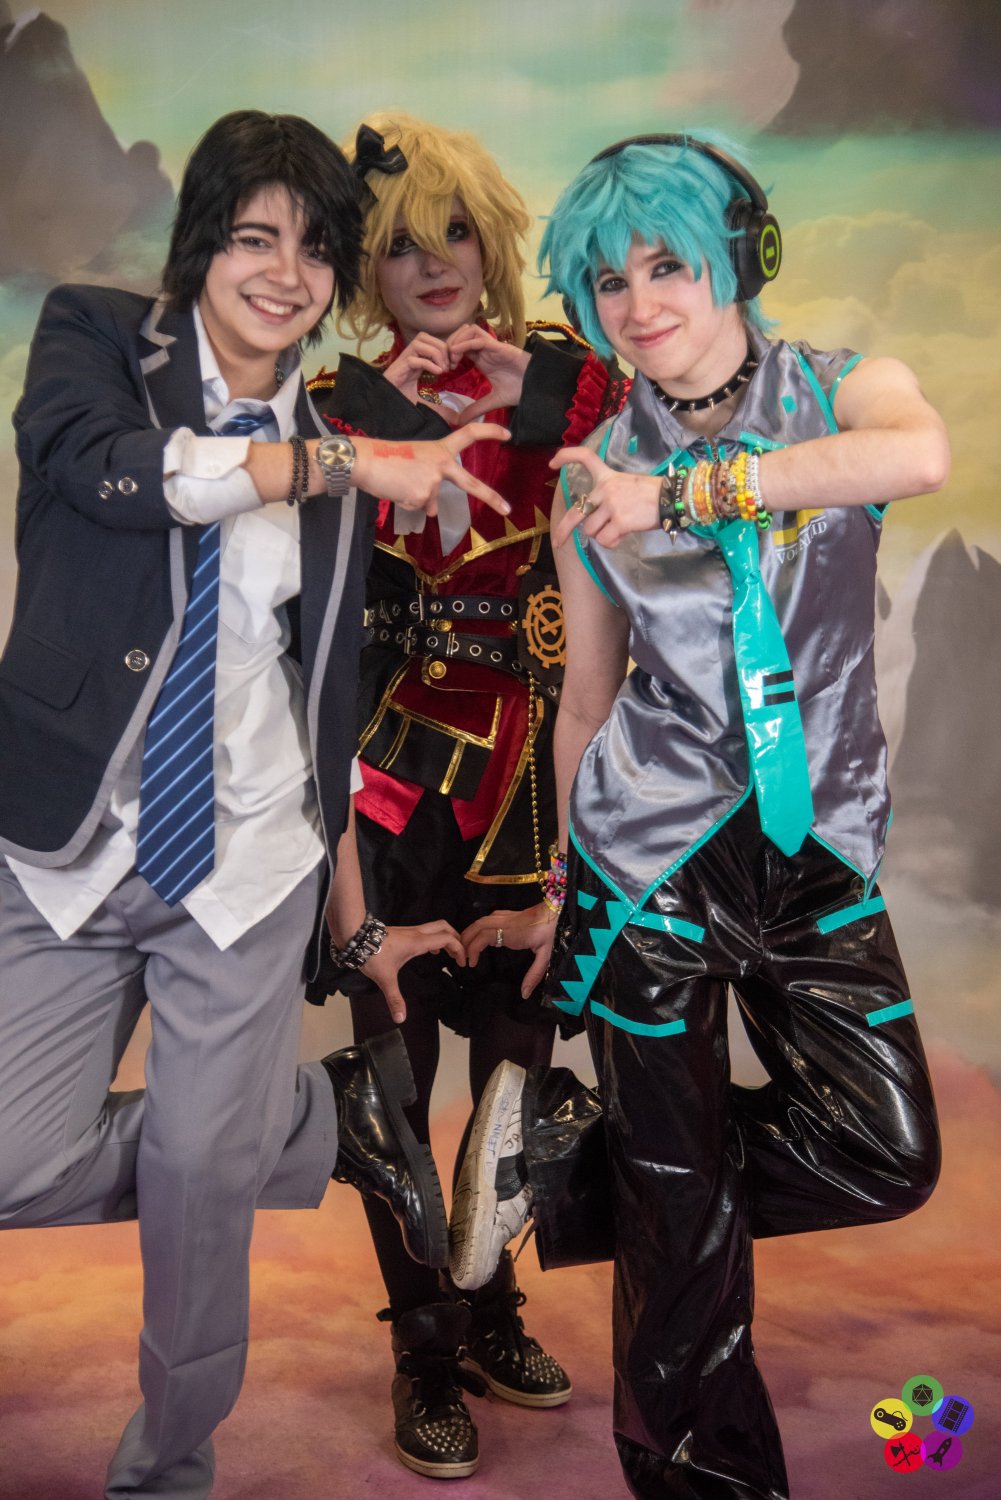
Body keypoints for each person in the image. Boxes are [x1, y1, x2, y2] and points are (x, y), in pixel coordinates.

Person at [0, 110, 513, 1500]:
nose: (285, 274)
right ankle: (312, 1124)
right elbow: (114, 475)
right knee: (22, 1160)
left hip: (246, 859)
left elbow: (325, 678)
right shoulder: (95, 336)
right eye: (253, 238)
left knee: (194, 1192)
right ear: (200, 247)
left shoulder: (350, 422)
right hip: (67, 849)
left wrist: (347, 912)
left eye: (314, 250)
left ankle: (170, 1463)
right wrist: (339, 465)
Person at [451, 133, 946, 1499]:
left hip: (816, 852)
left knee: (882, 1154)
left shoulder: (843, 391)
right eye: (608, 281)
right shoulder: (589, 475)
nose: (638, 304)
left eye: (667, 264)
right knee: (677, 1227)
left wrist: (683, 493)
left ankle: (563, 1172)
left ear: (743, 253)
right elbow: (586, 702)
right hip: (650, 863)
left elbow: (916, 455)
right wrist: (564, 889)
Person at [307, 113, 626, 1479]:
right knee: (395, 1081)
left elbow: (655, 452)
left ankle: (492, 1305)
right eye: (397, 245)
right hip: (390, 782)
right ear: (361, 272)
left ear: (490, 241)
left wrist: (542, 388)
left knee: (517, 1061)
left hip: (535, 770)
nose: (434, 263)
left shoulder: (567, 384)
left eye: (453, 232)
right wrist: (377, 416)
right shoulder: (335, 408)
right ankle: (425, 1346)